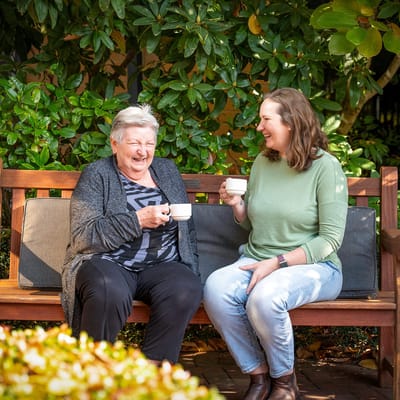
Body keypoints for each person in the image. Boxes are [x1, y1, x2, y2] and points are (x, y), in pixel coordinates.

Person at [203, 88, 348, 400]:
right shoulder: (262, 162)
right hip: (258, 258)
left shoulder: (326, 168)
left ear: (291, 123)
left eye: (266, 119)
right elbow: (253, 223)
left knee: (265, 298)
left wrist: (278, 263)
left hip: (313, 267)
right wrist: (236, 203)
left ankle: (284, 382)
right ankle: (258, 375)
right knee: (215, 288)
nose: (259, 127)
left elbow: (331, 239)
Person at [61, 104, 202, 365]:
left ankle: (151, 375)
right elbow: (83, 236)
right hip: (108, 263)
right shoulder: (97, 175)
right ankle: (94, 373)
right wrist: (138, 220)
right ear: (115, 144)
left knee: (186, 287)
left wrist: (191, 267)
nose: (143, 151)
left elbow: (187, 232)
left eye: (149, 143)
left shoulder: (167, 171)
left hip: (162, 265)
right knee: (107, 291)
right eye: (135, 143)